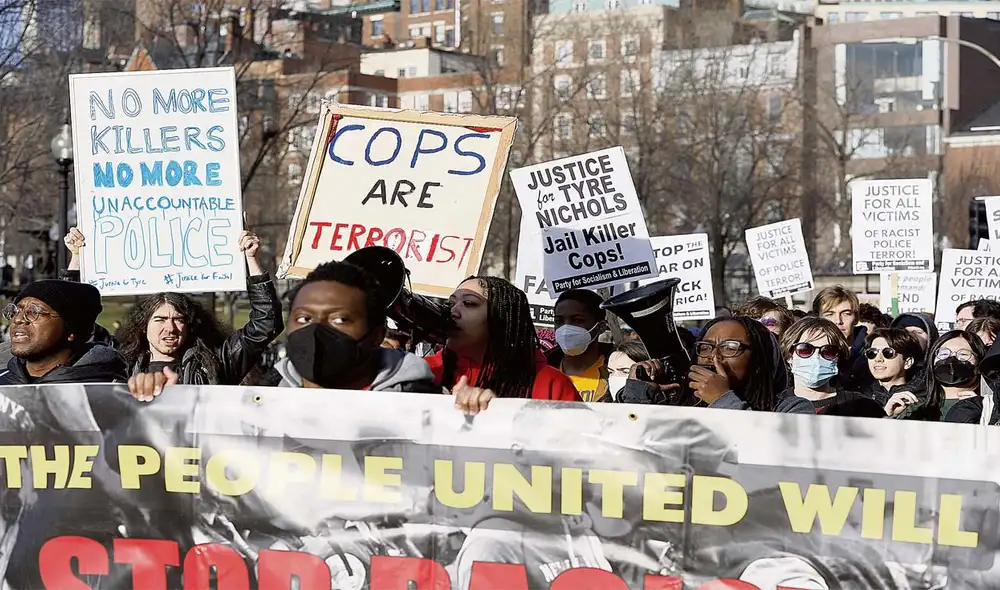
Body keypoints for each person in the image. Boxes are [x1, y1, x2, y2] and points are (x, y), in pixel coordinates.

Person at [71, 228, 285, 399]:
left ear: (189, 326)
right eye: (160, 319)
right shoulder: (118, 364)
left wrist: (251, 259)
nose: (170, 328)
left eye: (178, 320)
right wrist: (77, 260)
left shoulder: (216, 363)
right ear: (144, 326)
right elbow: (68, 323)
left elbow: (265, 324)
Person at [273, 261, 442, 392]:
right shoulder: (265, 398)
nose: (316, 330)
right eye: (304, 318)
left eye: (339, 319)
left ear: (377, 335)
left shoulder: (425, 404)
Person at [426, 276, 580, 408]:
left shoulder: (552, 384)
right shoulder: (424, 371)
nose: (453, 311)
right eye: (450, 304)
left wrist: (500, 413)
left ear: (502, 319)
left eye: (469, 303)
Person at [0, 280, 127, 385]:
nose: (17, 319)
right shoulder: (3, 383)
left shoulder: (111, 389)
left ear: (71, 330)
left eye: (34, 312)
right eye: (16, 311)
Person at [780, 317, 883, 416]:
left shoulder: (863, 406)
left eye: (828, 351)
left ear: (837, 357)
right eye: (805, 349)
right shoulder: (774, 407)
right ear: (789, 356)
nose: (816, 357)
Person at [899, 330, 987, 422]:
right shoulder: (916, 406)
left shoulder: (988, 407)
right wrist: (889, 416)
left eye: (963, 354)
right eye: (944, 354)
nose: (952, 358)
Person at [546, 289, 611, 402]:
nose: (566, 329)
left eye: (577, 320)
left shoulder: (619, 371)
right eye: (559, 321)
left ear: (600, 327)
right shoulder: (540, 369)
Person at [861, 328, 924, 415]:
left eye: (888, 353)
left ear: (907, 362)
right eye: (872, 353)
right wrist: (885, 413)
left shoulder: (922, 398)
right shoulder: (858, 397)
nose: (878, 359)